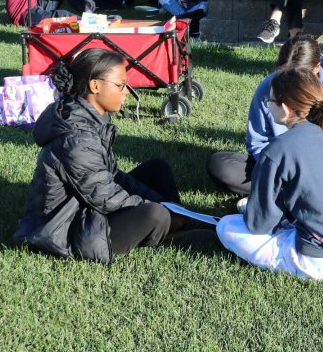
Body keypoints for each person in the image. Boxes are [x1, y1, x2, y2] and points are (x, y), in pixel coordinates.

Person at [13, 49, 209, 263]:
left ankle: (178, 220)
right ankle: (171, 230)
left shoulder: (91, 116)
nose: (126, 92)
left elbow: (112, 176)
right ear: (94, 85)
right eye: (120, 85)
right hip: (66, 228)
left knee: (157, 170)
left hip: (88, 205)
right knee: (156, 214)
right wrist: (159, 209)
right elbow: (103, 196)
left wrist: (166, 205)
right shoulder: (77, 138)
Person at [216, 67, 323, 282]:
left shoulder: (278, 149)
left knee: (226, 226)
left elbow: (259, 225)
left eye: (270, 101)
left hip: (318, 261)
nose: (268, 104)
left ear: (284, 108)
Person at [206, 33, 323, 197]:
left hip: (321, 172)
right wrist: (281, 168)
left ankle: (280, 195)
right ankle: (294, 193)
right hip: (277, 168)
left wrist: (308, 172)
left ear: (317, 68)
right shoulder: (268, 89)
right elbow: (258, 143)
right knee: (221, 165)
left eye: (298, 77)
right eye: (283, 74)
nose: (289, 83)